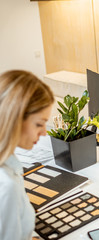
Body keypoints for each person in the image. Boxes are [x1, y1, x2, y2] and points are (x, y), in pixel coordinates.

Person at [0, 70, 54, 239]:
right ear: (15, 119)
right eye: (39, 124)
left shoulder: (10, 163)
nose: (44, 133)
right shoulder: (7, 186)